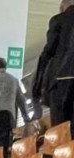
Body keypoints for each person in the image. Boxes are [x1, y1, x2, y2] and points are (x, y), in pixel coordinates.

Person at [32, 0, 74, 130]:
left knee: (60, 129)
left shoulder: (58, 20)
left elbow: (49, 49)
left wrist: (37, 86)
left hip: (60, 79)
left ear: (62, 7)